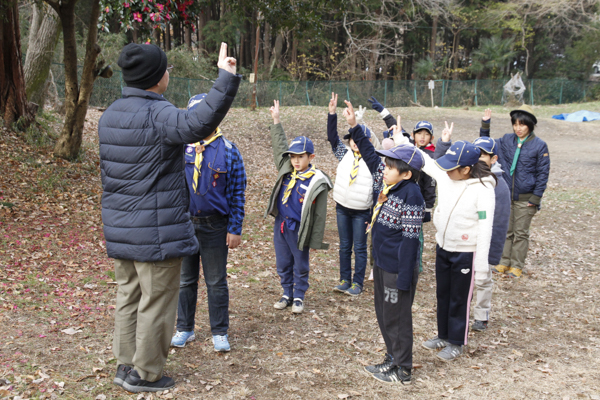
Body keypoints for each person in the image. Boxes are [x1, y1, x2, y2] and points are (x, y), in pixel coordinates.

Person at [98, 42, 240, 393]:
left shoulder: (110, 114)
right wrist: (225, 78)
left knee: (128, 295)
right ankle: (146, 373)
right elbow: (198, 122)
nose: (168, 75)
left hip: (121, 229)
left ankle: (125, 364)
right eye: (165, 70)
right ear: (154, 78)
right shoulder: (158, 115)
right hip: (155, 232)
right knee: (158, 302)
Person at [343, 101, 424, 384]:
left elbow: (411, 240)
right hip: (382, 265)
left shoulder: (411, 194)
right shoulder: (387, 181)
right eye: (386, 164)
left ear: (407, 173)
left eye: (391, 166)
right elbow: (368, 153)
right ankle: (391, 358)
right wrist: (354, 125)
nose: (385, 169)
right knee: (384, 314)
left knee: (397, 318)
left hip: (397, 270)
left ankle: (403, 369)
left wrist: (403, 277)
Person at [170, 94, 247, 352]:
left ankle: (219, 332)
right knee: (185, 280)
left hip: (215, 226)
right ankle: (185, 328)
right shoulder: (181, 147)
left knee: (216, 281)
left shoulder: (229, 150)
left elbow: (237, 192)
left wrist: (235, 228)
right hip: (185, 224)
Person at [419, 122, 496, 362]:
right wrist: (399, 140)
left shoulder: (483, 190)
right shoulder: (446, 177)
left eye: (452, 168)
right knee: (443, 293)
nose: (447, 171)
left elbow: (485, 228)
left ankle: (456, 341)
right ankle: (443, 334)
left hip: (466, 252)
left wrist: (482, 266)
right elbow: (427, 162)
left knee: (459, 298)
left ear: (466, 169)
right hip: (444, 246)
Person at [434, 127, 511, 332]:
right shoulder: (460, 178)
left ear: (493, 158)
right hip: (452, 246)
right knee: (452, 292)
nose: (479, 157)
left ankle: (481, 315)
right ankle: (447, 331)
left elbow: (497, 223)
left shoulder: (495, 186)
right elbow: (437, 166)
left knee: (481, 283)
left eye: (484, 154)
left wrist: (490, 256)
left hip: (478, 248)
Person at [266, 100, 332, 314]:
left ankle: (299, 295)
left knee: (300, 263)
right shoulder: (286, 170)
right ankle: (287, 292)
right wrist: (276, 120)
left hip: (298, 229)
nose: (295, 161)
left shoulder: (315, 181)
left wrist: (315, 237)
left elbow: (320, 215)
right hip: (281, 225)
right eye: (293, 156)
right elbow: (279, 146)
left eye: (300, 157)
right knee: (283, 261)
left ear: (310, 157)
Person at [480, 106, 550, 278]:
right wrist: (485, 125)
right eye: (515, 124)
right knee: (506, 230)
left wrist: (535, 198)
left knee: (520, 233)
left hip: (525, 198)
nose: (518, 128)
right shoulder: (506, 140)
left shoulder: (539, 146)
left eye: (522, 125)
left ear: (530, 125)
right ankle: (503, 262)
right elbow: (485, 146)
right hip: (506, 195)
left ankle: (517, 265)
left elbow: (543, 173)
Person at [327, 93, 374, 296]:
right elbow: (332, 138)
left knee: (360, 248)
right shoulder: (344, 154)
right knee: (345, 246)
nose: (355, 142)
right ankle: (344, 279)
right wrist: (332, 114)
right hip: (342, 208)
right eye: (353, 139)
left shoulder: (373, 160)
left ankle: (358, 283)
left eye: (359, 139)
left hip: (361, 211)